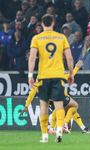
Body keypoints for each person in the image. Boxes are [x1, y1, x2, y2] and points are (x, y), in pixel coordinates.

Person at [28, 14, 74, 143]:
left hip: (43, 76)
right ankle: (59, 129)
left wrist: (30, 75)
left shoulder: (36, 38)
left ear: (42, 24)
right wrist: (70, 73)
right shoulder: (61, 37)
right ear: (53, 23)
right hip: (58, 75)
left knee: (44, 105)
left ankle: (44, 136)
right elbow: (69, 58)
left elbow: (32, 58)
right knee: (59, 105)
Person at [20, 60, 90, 134]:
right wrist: (76, 68)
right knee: (75, 105)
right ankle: (64, 124)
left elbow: (33, 92)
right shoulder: (57, 70)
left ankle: (80, 128)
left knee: (68, 111)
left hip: (49, 100)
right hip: (58, 96)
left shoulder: (41, 75)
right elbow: (67, 78)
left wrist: (26, 106)